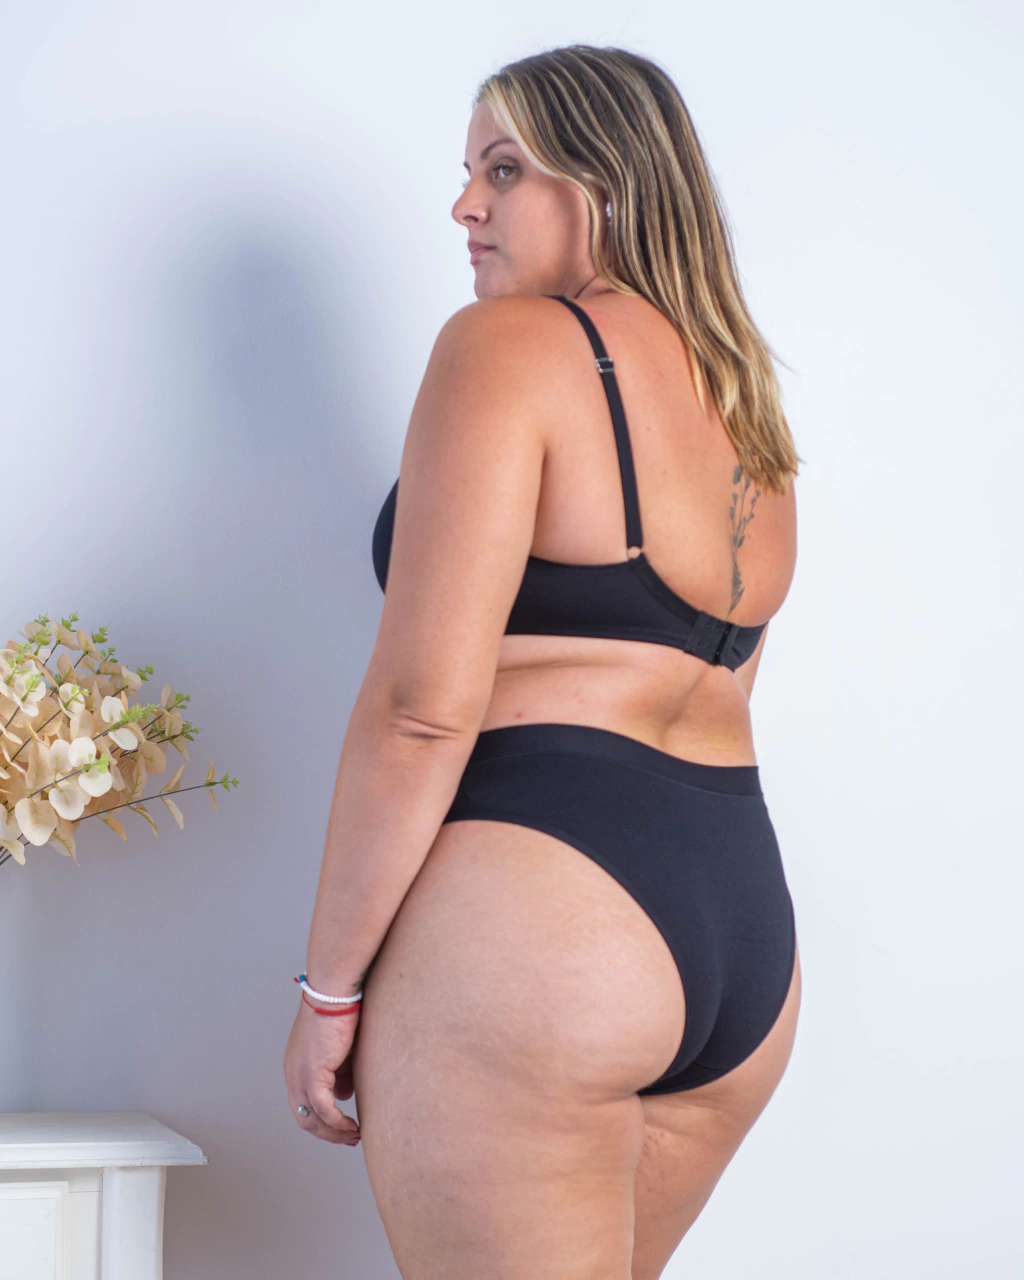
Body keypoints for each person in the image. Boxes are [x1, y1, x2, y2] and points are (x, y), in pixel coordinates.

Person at [284, 43, 803, 1279]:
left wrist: (328, 990)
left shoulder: (506, 346)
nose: (464, 205)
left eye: (504, 169)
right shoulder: (742, 401)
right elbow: (724, 681)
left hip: (547, 921)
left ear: (604, 183)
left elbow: (421, 710)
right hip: (740, 939)